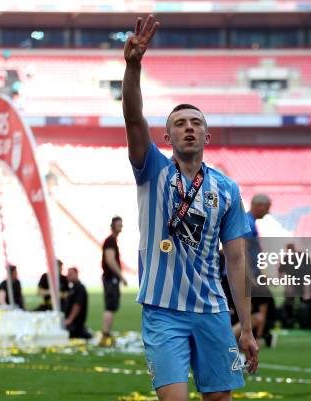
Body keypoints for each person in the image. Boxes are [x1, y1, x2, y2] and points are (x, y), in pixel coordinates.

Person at [123, 15, 258, 401]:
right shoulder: (152, 170)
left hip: (214, 313)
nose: (188, 127)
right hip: (162, 312)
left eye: (195, 122)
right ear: (167, 137)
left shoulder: (228, 189)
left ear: (207, 135)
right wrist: (133, 66)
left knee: (221, 399)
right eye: (179, 123)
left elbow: (236, 261)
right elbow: (133, 119)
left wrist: (244, 327)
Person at [243, 194, 275, 347]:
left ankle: (255, 338)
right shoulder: (247, 222)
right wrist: (249, 276)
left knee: (259, 306)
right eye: (267, 208)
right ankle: (253, 338)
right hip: (246, 276)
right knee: (251, 311)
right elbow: (243, 251)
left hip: (251, 274)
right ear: (260, 206)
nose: (268, 212)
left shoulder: (250, 222)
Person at [99, 216, 128, 347]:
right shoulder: (110, 241)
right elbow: (110, 260)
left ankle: (107, 334)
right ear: (113, 226)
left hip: (111, 279)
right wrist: (121, 276)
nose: (121, 227)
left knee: (111, 306)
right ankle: (105, 335)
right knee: (110, 307)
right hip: (111, 279)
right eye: (119, 224)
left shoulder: (112, 241)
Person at [64, 267, 90, 339]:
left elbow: (77, 305)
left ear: (76, 274)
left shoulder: (80, 288)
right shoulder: (72, 288)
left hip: (75, 324)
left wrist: (69, 320)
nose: (68, 276)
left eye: (71, 274)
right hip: (72, 322)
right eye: (68, 274)